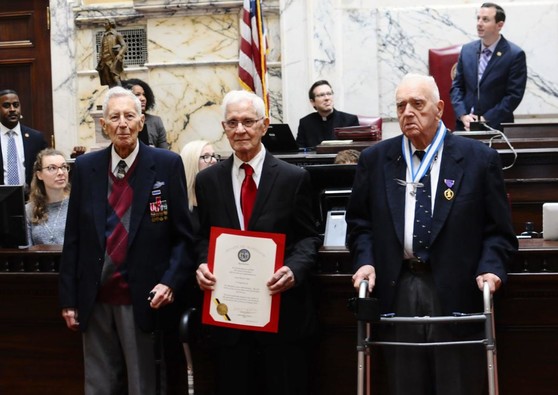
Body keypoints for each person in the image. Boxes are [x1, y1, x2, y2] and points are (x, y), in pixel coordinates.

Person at [347, 73, 517, 395]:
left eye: (417, 104)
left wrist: (491, 268)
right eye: (400, 106)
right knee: (405, 383)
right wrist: (365, 261)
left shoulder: (479, 159)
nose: (407, 113)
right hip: (399, 286)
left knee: (457, 383)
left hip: (457, 287)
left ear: (439, 108)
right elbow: (360, 224)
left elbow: (499, 232)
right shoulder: (376, 160)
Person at [58, 86, 195, 394]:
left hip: (143, 296)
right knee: (98, 385)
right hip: (95, 298)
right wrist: (68, 298)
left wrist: (170, 282)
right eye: (114, 117)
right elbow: (74, 238)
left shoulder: (166, 164)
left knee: (142, 384)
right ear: (104, 125)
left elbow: (184, 237)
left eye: (129, 116)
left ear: (141, 121)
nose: (122, 123)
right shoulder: (85, 168)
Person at [195, 90, 321, 395]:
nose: (240, 130)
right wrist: (201, 264)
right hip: (228, 321)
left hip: (281, 317)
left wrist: (293, 269)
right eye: (232, 123)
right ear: (224, 128)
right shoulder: (208, 181)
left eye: (248, 122)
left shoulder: (294, 178)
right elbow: (201, 237)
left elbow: (309, 237)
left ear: (264, 125)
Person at [450, 2, 527, 132]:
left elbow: (513, 96)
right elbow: (457, 87)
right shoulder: (467, 50)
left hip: (496, 126)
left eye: (485, 19)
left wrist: (486, 118)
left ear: (499, 25)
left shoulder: (514, 54)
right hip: (465, 125)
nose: (479, 23)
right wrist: (463, 115)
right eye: (478, 18)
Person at [0, 89, 48, 189]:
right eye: (6, 106)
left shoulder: (36, 138)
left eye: (16, 105)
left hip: (30, 199)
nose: (12, 109)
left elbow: (46, 166)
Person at [296, 80, 359, 148]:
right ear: (312, 102)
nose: (327, 98)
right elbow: (299, 150)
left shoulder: (350, 120)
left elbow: (356, 151)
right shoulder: (305, 123)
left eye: (329, 94)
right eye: (321, 95)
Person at [26, 148, 70, 245]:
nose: (61, 173)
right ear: (39, 175)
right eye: (52, 168)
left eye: (63, 167)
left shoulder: (78, 204)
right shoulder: (29, 210)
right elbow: (26, 252)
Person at [123, 78, 170, 149]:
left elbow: (164, 150)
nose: (143, 98)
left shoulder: (156, 121)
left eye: (144, 94)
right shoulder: (122, 122)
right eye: (137, 94)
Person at [96, 18, 127, 87]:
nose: (104, 25)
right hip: (104, 60)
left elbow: (124, 46)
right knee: (108, 79)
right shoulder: (104, 35)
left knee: (116, 77)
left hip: (113, 59)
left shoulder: (117, 34)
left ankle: (121, 92)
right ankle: (112, 94)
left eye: (106, 24)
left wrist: (120, 54)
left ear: (110, 24)